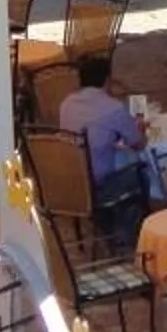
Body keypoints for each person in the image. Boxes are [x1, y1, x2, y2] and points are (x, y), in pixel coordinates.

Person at [58, 52, 147, 242]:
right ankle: (125, 228)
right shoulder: (112, 107)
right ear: (107, 79)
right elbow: (138, 143)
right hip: (99, 182)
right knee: (143, 168)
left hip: (70, 176)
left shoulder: (66, 104)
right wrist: (138, 127)